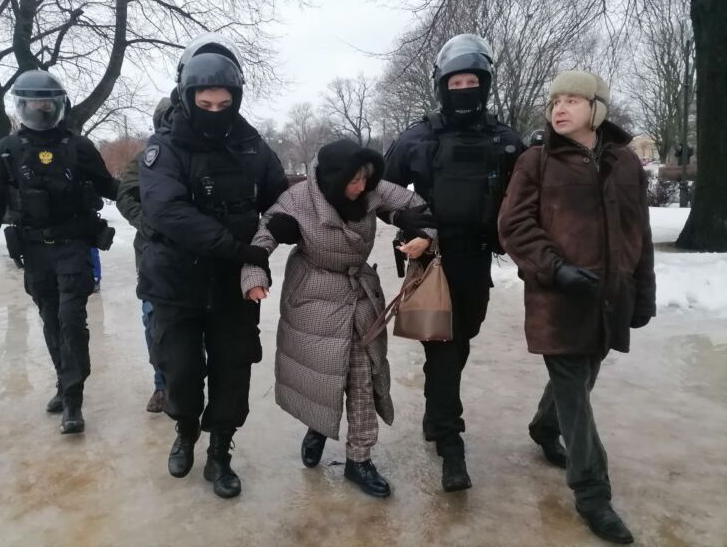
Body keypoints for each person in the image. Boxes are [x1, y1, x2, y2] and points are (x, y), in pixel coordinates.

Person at [498, 71, 655, 545]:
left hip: (610, 298)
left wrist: (642, 292)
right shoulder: (536, 161)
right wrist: (555, 268)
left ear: (596, 108)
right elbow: (514, 224)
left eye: (572, 100)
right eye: (555, 102)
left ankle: (544, 427)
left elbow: (639, 233)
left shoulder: (626, 163)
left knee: (581, 378)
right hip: (558, 299)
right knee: (574, 390)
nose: (560, 109)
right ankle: (592, 493)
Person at [138, 34, 288, 499]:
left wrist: (286, 222)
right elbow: (167, 210)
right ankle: (185, 429)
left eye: (224, 103)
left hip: (232, 288)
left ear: (236, 99)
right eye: (205, 103)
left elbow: (280, 198)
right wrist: (236, 248)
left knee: (233, 370)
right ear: (186, 97)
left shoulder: (252, 146)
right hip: (175, 282)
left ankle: (220, 450)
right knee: (180, 370)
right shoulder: (163, 147)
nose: (215, 111)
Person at [241, 139, 436, 498]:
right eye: (353, 180)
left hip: (360, 294)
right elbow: (263, 234)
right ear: (333, 179)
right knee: (322, 375)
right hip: (313, 294)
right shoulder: (298, 200)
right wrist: (255, 277)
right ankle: (318, 425)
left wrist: (420, 232)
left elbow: (416, 205)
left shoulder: (371, 189)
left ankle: (359, 460)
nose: (362, 187)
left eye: (366, 178)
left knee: (363, 377)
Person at [383, 33, 523, 491]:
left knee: (461, 340)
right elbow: (380, 192)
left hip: (477, 261)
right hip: (432, 260)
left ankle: (435, 411)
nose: (464, 89)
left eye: (472, 82)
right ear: (442, 86)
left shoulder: (505, 140)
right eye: (455, 82)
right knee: (443, 345)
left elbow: (527, 198)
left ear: (485, 84)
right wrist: (410, 222)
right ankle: (450, 442)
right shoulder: (417, 138)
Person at [0, 70, 119, 434]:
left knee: (72, 322)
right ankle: (64, 380)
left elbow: (109, 186)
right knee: (51, 320)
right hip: (35, 249)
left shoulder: (78, 147)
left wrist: (152, 197)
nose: (41, 109)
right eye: (34, 103)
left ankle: (73, 398)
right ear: (21, 106)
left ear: (58, 106)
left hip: (73, 246)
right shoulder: (8, 149)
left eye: (47, 103)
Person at [116, 96, 172, 413]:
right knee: (155, 322)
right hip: (153, 256)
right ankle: (162, 385)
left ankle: (194, 380)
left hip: (197, 257)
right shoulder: (145, 158)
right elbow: (125, 195)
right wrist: (148, 224)